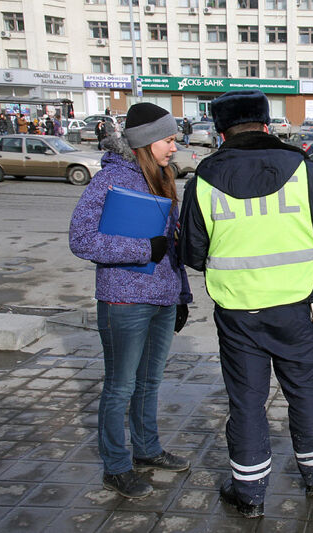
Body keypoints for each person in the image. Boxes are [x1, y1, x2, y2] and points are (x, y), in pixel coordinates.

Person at [177, 90, 313, 519]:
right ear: (266, 125)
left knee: (247, 402)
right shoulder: (304, 170)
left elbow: (193, 253)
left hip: (238, 313)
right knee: (305, 393)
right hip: (297, 307)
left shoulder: (202, 179)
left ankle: (249, 494)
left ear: (220, 131)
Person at [69, 103, 193, 499]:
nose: (175, 148)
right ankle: (116, 467)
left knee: (149, 382)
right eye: (169, 140)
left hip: (162, 298)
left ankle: (147, 449)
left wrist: (182, 295)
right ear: (146, 142)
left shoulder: (165, 177)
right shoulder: (109, 180)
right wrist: (142, 248)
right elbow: (81, 239)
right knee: (120, 387)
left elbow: (170, 245)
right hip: (123, 300)